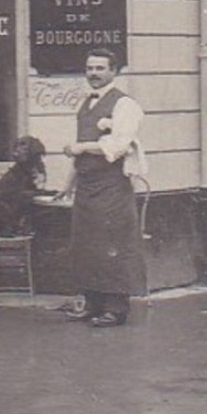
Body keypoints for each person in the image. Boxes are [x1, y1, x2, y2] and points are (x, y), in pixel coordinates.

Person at [61, 48, 148, 328]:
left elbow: (119, 146)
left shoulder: (125, 105)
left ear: (114, 71)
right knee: (87, 246)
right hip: (87, 186)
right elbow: (80, 152)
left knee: (113, 244)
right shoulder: (86, 104)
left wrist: (82, 147)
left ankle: (116, 308)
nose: (93, 74)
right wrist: (68, 184)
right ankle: (93, 303)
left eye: (100, 68)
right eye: (90, 68)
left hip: (112, 186)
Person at [0, 136, 49, 237]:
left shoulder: (34, 170)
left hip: (11, 218)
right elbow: (22, 195)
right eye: (16, 146)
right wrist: (43, 193)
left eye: (23, 145)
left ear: (34, 150)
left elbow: (30, 193)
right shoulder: (17, 173)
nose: (17, 151)